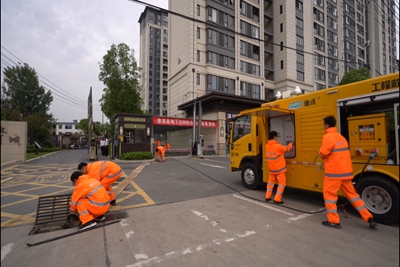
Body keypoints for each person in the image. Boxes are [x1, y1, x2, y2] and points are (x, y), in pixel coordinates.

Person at [319, 115, 377, 229]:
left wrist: (320, 152)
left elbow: (323, 153)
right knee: (353, 196)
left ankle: (333, 221)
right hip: (346, 173)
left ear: (326, 125)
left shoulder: (327, 137)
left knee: (330, 196)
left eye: (323, 124)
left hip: (334, 174)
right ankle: (369, 217)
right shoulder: (341, 137)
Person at [265, 131, 293, 204]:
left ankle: (267, 197)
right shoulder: (278, 146)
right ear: (275, 137)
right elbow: (287, 149)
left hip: (272, 169)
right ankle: (277, 199)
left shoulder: (267, 146)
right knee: (282, 184)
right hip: (279, 169)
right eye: (277, 137)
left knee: (270, 183)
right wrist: (291, 144)